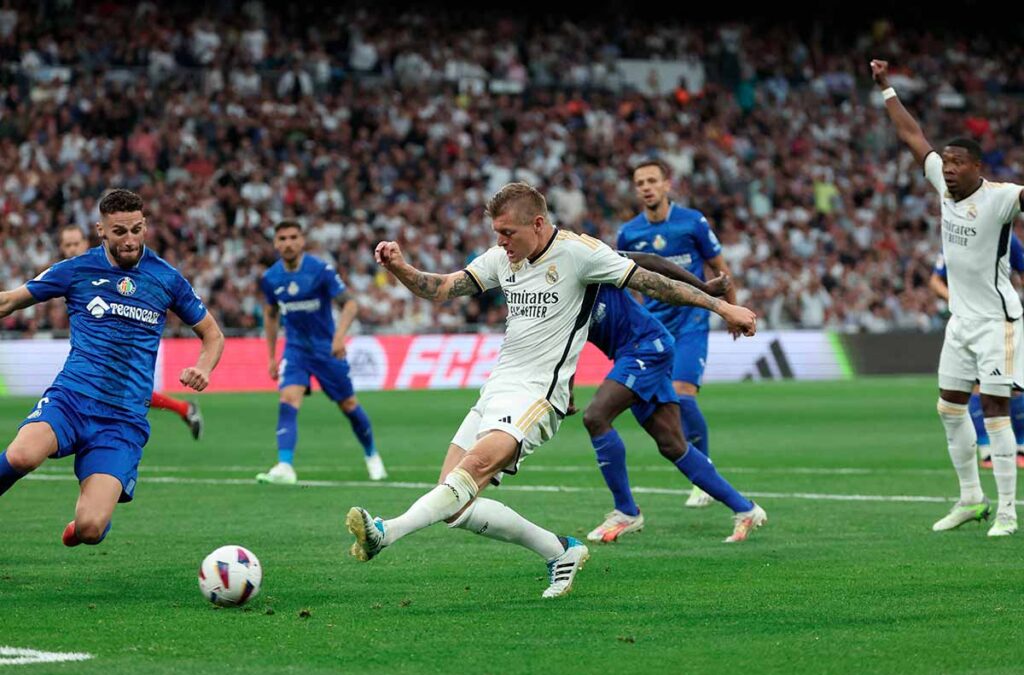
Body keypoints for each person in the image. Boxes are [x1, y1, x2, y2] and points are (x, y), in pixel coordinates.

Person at [345, 182, 757, 598]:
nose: (501, 242)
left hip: (538, 395)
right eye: (497, 233)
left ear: (538, 224)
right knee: (453, 504)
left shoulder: (579, 253)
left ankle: (385, 532)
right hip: (496, 390)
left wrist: (722, 306)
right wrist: (399, 267)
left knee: (470, 472)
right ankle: (560, 551)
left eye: (508, 233)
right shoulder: (502, 258)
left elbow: (651, 280)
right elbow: (441, 288)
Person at [0, 189, 224, 546]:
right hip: (72, 398)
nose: (130, 240)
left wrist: (204, 368)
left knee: (90, 528)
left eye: (136, 229)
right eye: (119, 231)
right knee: (22, 455)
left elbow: (212, 334)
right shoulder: (76, 270)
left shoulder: (167, 279)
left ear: (145, 226)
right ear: (101, 230)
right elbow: (10, 301)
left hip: (122, 419)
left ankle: (82, 525)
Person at [873, 59, 1024, 536]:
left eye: (959, 164)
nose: (950, 170)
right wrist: (886, 88)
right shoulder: (941, 183)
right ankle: (971, 499)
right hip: (960, 322)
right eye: (947, 163)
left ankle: (1007, 512)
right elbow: (912, 135)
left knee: (995, 412)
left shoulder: (1001, 198)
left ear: (978, 168)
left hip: (997, 323)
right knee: (949, 408)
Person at [578, 250, 766, 543]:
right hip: (632, 353)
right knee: (672, 444)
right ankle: (746, 509)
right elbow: (563, 345)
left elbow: (649, 261)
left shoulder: (581, 255)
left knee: (596, 417)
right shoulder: (548, 292)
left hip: (646, 346)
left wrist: (702, 287)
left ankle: (626, 511)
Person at [617, 159, 739, 509]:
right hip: (654, 327)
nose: (646, 187)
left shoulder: (692, 222)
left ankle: (705, 479)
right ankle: (700, 474)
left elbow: (720, 268)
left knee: (684, 396)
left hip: (691, 321)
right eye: (640, 182)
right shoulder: (629, 233)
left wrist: (732, 309)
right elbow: (625, 282)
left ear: (667, 185)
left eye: (652, 180)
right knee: (664, 404)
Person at [256, 220, 386, 485]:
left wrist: (339, 337)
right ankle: (285, 465)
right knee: (288, 399)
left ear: (302, 240)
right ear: (275, 243)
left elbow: (350, 304)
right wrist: (271, 356)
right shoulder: (270, 278)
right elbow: (270, 315)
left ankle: (372, 455)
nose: (288, 243)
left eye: (293, 237)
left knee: (348, 405)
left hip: (326, 350)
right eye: (282, 238)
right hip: (295, 350)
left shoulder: (320, 270)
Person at [58, 225, 205, 439]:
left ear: (86, 242)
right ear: (61, 248)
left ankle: (183, 409)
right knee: (122, 392)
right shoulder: (67, 274)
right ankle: (184, 409)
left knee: (127, 392)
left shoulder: (106, 267)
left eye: (76, 243)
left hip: (122, 345)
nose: (72, 249)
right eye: (67, 245)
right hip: (94, 350)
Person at [929, 241, 1024, 469]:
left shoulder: (1007, 237)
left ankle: (1021, 446)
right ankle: (986, 449)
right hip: (967, 322)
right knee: (975, 385)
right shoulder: (955, 236)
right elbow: (935, 280)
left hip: (999, 319)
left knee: (1013, 385)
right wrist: (956, 300)